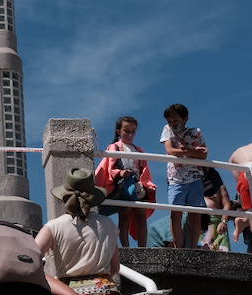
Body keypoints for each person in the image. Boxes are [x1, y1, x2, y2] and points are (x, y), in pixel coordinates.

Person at [95, 115, 155, 248]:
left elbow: (144, 169)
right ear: (118, 131)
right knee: (125, 217)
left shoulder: (138, 149)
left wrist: (147, 184)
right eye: (126, 131)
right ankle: (127, 248)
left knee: (141, 217)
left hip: (138, 185)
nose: (130, 134)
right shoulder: (114, 147)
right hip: (123, 186)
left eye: (133, 131)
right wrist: (121, 173)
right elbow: (110, 167)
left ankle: (142, 248)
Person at [159, 104, 208, 249]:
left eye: (176, 120)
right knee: (175, 214)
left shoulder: (196, 132)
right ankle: (178, 247)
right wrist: (192, 151)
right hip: (175, 179)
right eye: (170, 121)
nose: (173, 124)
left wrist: (187, 150)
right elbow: (169, 150)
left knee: (195, 214)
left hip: (195, 178)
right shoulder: (167, 130)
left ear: (185, 119)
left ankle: (192, 247)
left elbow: (204, 155)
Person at [200, 165, 233, 251]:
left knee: (223, 255)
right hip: (199, 223)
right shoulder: (192, 181)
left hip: (217, 223)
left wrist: (224, 221)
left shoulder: (215, 179)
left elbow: (227, 202)